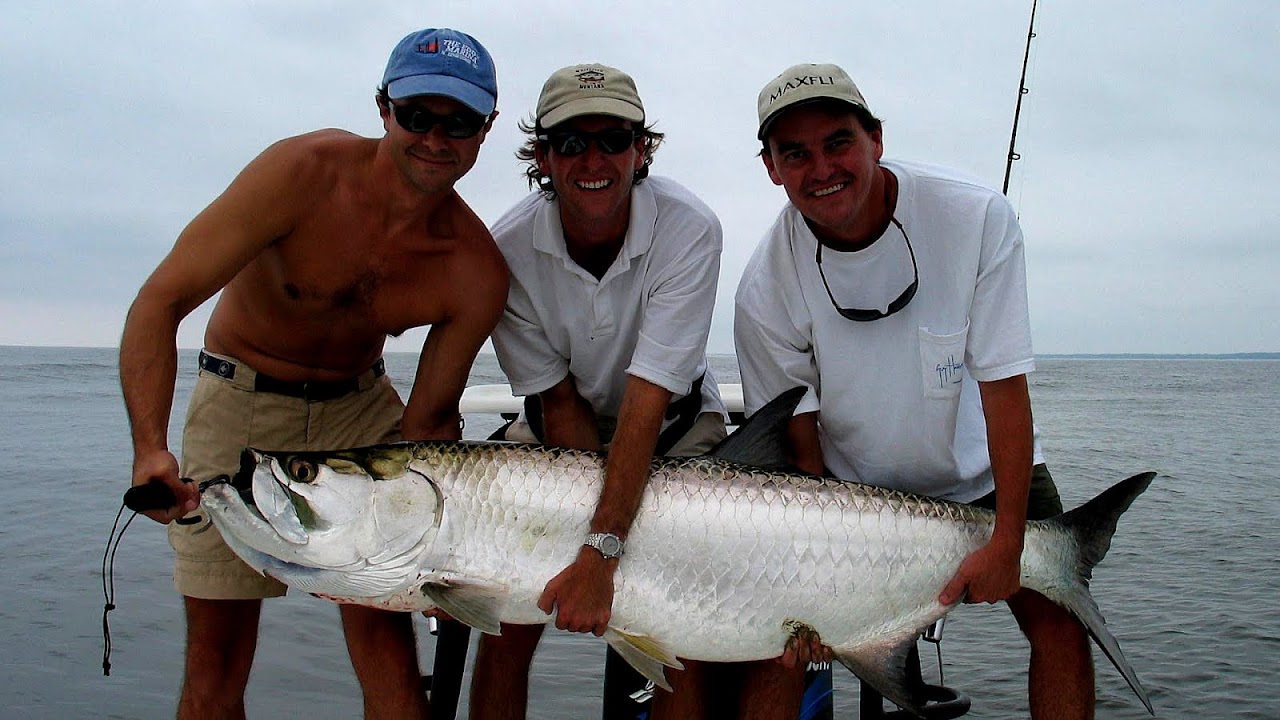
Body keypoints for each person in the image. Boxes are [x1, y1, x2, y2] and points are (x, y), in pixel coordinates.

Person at [119, 28, 507, 720]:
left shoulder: (475, 269)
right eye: (418, 115)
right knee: (217, 661)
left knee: (387, 645)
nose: (435, 138)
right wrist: (151, 448)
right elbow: (160, 303)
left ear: (487, 130)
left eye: (461, 122)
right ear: (384, 108)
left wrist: (433, 552)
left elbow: (425, 427)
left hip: (360, 412)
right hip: (241, 394)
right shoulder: (300, 173)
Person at [731, 62, 1095, 719]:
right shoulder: (763, 288)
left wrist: (1009, 539)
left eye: (838, 141)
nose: (821, 169)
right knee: (778, 650)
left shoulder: (976, 216)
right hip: (849, 496)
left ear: (875, 138)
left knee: (1061, 625)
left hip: (985, 470)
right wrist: (812, 588)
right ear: (771, 167)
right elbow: (800, 446)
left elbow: (1005, 389)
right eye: (795, 153)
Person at [469, 63, 729, 720]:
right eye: (570, 142)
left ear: (642, 149)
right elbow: (558, 403)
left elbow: (647, 400)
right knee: (504, 617)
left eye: (613, 139)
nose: (593, 159)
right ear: (542, 156)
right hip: (562, 431)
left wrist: (603, 547)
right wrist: (586, 541)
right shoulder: (504, 250)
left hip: (674, 424)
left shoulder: (690, 228)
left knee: (679, 638)